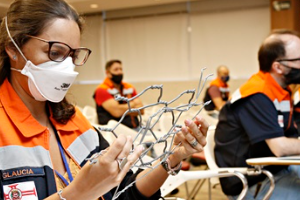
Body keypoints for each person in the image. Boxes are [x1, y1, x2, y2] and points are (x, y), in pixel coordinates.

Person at [0, 0, 209, 200]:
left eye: (73, 57)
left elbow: (125, 192)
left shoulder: (73, 122)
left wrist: (172, 157)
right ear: (13, 48)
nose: (66, 68)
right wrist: (78, 193)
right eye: (55, 53)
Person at [214, 29, 300, 200]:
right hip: (251, 182)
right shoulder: (257, 94)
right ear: (278, 67)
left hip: (275, 169)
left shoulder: (281, 91)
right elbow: (281, 147)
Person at [93, 60, 143, 130]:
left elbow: (141, 110)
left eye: (121, 69)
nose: (119, 72)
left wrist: (122, 109)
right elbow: (117, 112)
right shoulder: (101, 90)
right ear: (108, 73)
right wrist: (134, 104)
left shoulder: (129, 87)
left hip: (136, 127)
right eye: (116, 69)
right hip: (115, 132)